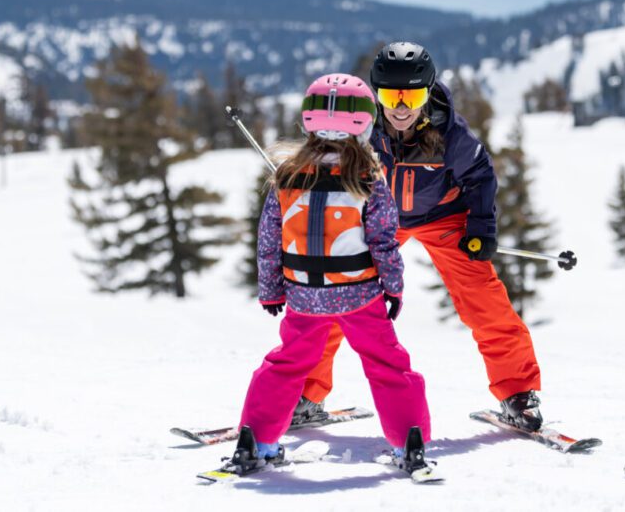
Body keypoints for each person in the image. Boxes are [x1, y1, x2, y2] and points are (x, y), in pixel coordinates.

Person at [294, 42, 547, 432]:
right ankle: (305, 394)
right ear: (375, 94)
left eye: (411, 94)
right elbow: (329, 158)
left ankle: (518, 394)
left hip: (445, 217)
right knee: (335, 293)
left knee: (484, 302)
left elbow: (480, 176)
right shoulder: (363, 128)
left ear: (427, 91)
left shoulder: (450, 132)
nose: (400, 106)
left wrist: (482, 227)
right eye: (389, 95)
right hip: (381, 217)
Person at [229, 73, 431, 475]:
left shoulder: (287, 177)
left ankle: (258, 440)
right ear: (366, 124)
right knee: (387, 363)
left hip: (304, 296)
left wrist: (271, 291)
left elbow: (270, 239)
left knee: (286, 363)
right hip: (360, 295)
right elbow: (383, 241)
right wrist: (393, 287)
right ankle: (409, 440)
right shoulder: (368, 179)